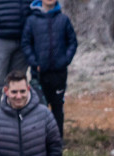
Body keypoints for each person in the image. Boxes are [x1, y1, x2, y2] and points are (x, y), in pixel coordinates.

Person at [21, 0, 78, 140]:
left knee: (58, 106)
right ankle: (40, 139)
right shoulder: (32, 20)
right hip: (40, 73)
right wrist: (34, 63)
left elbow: (72, 41)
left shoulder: (63, 19)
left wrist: (65, 60)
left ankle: (57, 140)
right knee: (40, 107)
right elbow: (26, 43)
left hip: (59, 73)